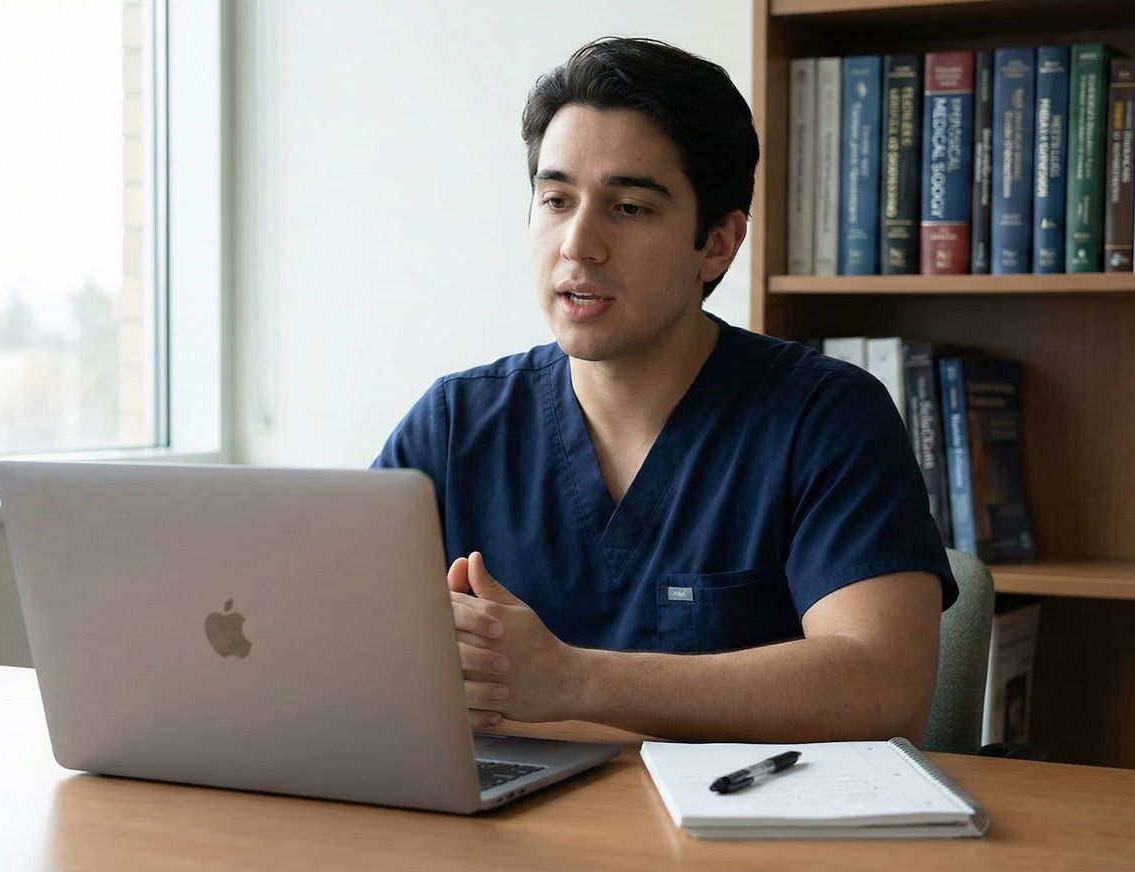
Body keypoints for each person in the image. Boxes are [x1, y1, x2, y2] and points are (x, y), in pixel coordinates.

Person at [374, 37, 955, 744]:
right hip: (499, 805)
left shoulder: (824, 418)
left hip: (737, 813)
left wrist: (570, 679)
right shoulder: (455, 423)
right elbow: (325, 636)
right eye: (556, 200)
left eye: (629, 208)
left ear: (717, 243)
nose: (577, 244)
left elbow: (883, 688)